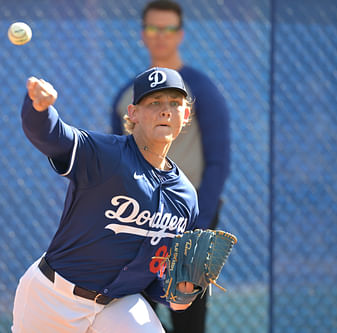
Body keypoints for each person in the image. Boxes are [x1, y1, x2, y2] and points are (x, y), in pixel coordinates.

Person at [12, 67, 199, 333]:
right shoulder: (105, 156)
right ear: (133, 113)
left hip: (118, 303)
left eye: (174, 103)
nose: (165, 110)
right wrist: (40, 110)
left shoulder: (186, 197)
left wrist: (175, 293)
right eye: (154, 103)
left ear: (186, 114)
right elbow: (52, 137)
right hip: (54, 299)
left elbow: (154, 271)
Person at [111, 1, 231, 332]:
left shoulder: (201, 90)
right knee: (134, 315)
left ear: (180, 34)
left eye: (168, 29)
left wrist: (198, 226)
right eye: (152, 28)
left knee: (188, 318)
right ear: (142, 35)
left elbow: (219, 163)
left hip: (190, 221)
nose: (160, 36)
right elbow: (117, 161)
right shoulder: (128, 96)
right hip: (140, 221)